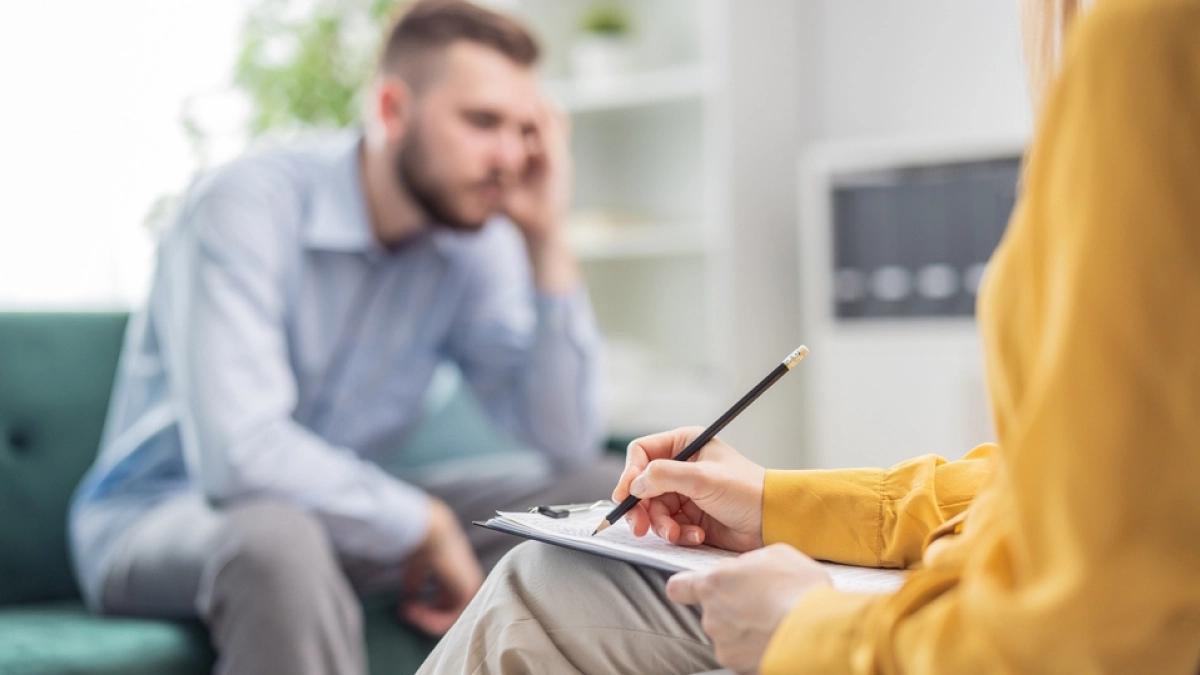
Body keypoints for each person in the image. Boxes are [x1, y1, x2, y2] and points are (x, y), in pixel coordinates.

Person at [416, 0, 1200, 672]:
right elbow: (1069, 494)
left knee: (544, 589)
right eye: (483, 121)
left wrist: (808, 632)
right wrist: (776, 503)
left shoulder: (1145, 43)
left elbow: (1093, 630)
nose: (510, 154)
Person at [69, 0, 622, 672]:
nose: (509, 156)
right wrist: (423, 521)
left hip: (339, 517)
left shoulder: (473, 240)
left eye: (523, 129)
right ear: (392, 110)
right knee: (277, 536)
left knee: (604, 492)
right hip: (162, 518)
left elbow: (562, 441)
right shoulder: (243, 207)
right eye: (482, 122)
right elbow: (241, 458)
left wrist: (546, 238)